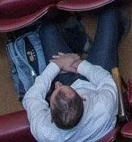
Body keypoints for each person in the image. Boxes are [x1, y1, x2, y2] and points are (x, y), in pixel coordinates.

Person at [22, 9, 126, 142]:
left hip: (67, 73)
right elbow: (105, 79)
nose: (58, 84)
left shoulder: (44, 132)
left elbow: (31, 98)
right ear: (82, 97)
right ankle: (113, 33)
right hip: (93, 83)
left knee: (47, 30)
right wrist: (79, 64)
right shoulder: (103, 107)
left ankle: (81, 43)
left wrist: (57, 66)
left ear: (50, 116)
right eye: (60, 87)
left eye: (56, 88)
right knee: (109, 13)